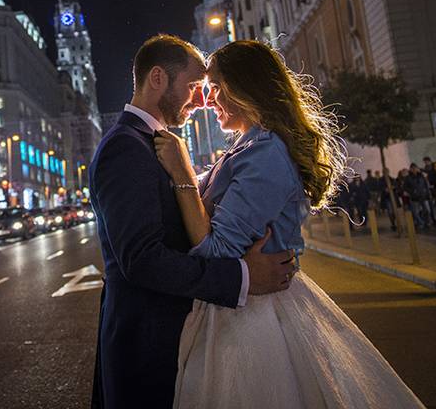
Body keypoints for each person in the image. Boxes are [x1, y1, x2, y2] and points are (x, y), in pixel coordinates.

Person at [155, 40, 423, 408]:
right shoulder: (247, 146)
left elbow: (217, 251)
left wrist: (183, 173)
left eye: (216, 87)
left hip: (255, 321)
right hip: (241, 306)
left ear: (246, 86)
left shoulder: (265, 152)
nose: (208, 99)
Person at [88, 35, 295, 409]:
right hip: (148, 343)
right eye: (194, 87)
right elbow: (142, 259)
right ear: (157, 79)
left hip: (177, 337)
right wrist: (244, 277)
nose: (202, 101)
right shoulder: (126, 147)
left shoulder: (153, 142)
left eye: (209, 88)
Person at [404, 163, 432, 230]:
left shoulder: (421, 176)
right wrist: (412, 191)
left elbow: (426, 185)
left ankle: (427, 222)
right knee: (416, 212)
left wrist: (428, 193)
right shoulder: (408, 178)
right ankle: (421, 223)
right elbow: (405, 187)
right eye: (412, 168)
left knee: (427, 210)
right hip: (414, 197)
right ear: (410, 169)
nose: (414, 170)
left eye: (415, 168)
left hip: (423, 196)